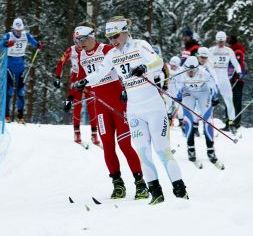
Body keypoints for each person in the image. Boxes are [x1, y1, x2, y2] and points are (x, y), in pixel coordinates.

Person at [75, 16, 189, 204]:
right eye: (109, 37)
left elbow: (158, 62)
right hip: (134, 109)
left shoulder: (139, 45)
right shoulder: (112, 54)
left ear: (126, 31)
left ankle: (180, 192)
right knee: (143, 153)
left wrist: (144, 66)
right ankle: (156, 194)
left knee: (162, 150)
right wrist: (84, 81)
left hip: (153, 106)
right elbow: (99, 73)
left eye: (116, 35)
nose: (113, 40)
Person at [73, 22, 148, 200]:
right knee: (107, 145)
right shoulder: (82, 55)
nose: (80, 44)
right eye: (77, 41)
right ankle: (118, 184)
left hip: (117, 102)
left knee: (124, 144)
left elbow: (125, 70)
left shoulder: (107, 49)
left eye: (82, 40)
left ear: (92, 37)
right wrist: (73, 93)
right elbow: (82, 78)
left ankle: (140, 184)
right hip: (101, 106)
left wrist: (125, 89)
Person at [175, 56, 224, 169]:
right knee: (188, 120)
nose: (191, 73)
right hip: (189, 93)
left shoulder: (204, 73)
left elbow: (213, 85)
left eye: (193, 71)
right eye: (189, 71)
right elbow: (179, 86)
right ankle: (190, 148)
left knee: (207, 120)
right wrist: (178, 95)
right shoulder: (181, 73)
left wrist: (214, 96)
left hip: (203, 92)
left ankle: (210, 149)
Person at [54, 37, 99, 145]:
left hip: (88, 78)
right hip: (76, 77)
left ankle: (94, 133)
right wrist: (57, 77)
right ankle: (77, 132)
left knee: (91, 105)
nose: (79, 45)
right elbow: (61, 62)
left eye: (81, 42)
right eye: (76, 42)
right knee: (76, 103)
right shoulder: (70, 50)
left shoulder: (88, 49)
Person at [0, 18, 44, 124]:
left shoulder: (26, 35)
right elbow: (0, 46)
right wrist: (6, 44)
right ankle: (6, 116)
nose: (18, 32)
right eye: (16, 30)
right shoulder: (8, 35)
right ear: (13, 28)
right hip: (9, 66)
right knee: (9, 90)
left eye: (20, 30)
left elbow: (35, 43)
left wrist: (39, 45)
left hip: (20, 67)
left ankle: (20, 117)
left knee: (20, 92)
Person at [209, 31, 242, 133]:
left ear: (225, 40)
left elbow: (236, 63)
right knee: (209, 100)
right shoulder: (211, 50)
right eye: (219, 41)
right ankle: (206, 120)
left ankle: (231, 122)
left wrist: (239, 71)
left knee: (229, 100)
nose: (221, 43)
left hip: (224, 78)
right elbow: (204, 61)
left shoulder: (229, 50)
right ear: (216, 40)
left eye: (222, 41)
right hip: (213, 78)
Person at [227, 36, 247, 129]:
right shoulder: (233, 50)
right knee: (232, 100)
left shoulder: (237, 50)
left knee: (235, 101)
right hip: (234, 79)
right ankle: (231, 122)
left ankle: (235, 122)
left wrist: (235, 75)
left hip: (237, 79)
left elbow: (237, 65)